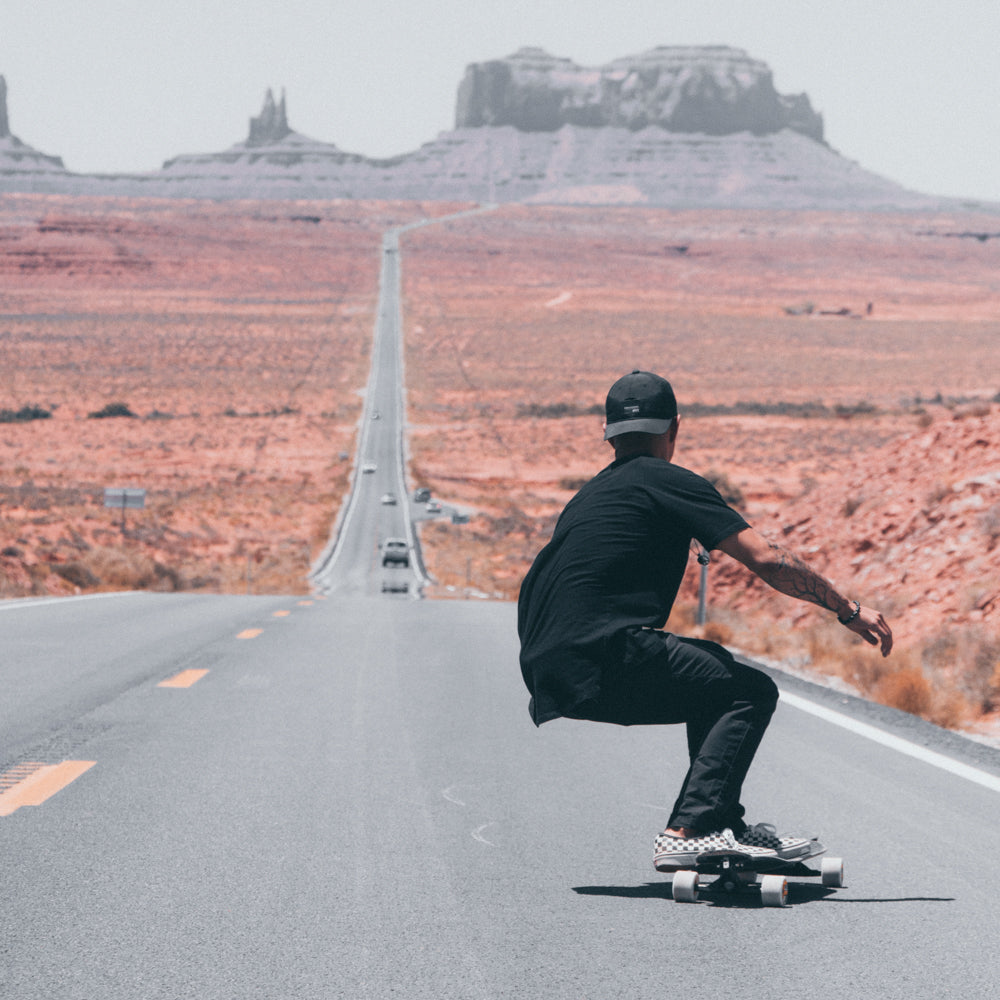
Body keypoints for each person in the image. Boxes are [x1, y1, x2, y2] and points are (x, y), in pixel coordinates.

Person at [517, 370, 893, 870]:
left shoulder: (592, 494)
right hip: (602, 654)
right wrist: (847, 610)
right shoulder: (666, 481)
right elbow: (767, 559)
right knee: (750, 691)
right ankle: (688, 829)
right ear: (675, 427)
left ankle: (719, 824)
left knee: (713, 669)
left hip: (550, 665)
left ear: (607, 433)